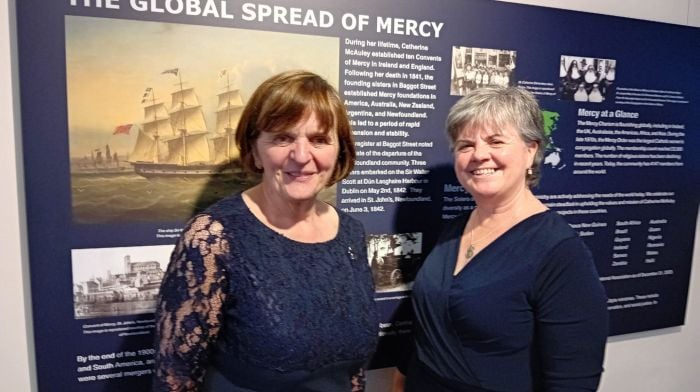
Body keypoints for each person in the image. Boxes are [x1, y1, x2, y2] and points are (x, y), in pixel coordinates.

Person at [153, 70, 379, 391]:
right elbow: (175, 378)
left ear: (339, 150)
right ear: (255, 150)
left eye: (319, 139)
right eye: (282, 138)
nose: (302, 156)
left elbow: (352, 373)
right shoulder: (214, 237)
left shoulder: (351, 235)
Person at [394, 87, 608, 391]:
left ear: (531, 150)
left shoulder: (560, 254)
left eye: (495, 141)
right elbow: (430, 323)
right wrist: (401, 378)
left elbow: (573, 381)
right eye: (466, 144)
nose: (479, 154)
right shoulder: (453, 230)